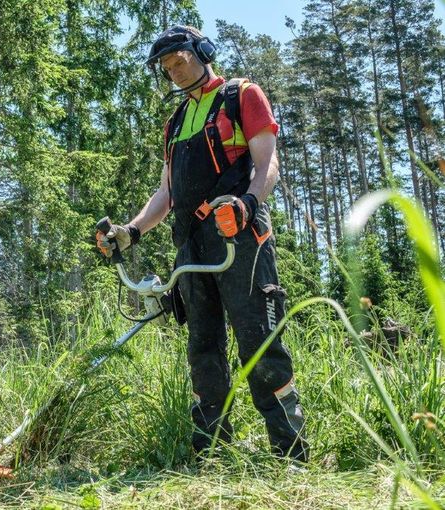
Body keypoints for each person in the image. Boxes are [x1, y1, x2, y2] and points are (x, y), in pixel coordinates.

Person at [96, 25, 308, 462]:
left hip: (240, 234)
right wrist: (130, 231)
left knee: (259, 341)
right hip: (191, 245)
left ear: (202, 51)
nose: (173, 71)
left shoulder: (241, 95)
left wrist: (249, 203)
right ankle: (212, 451)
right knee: (203, 348)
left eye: (180, 60)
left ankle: (290, 454)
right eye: (166, 67)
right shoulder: (174, 123)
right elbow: (166, 193)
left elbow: (268, 163)